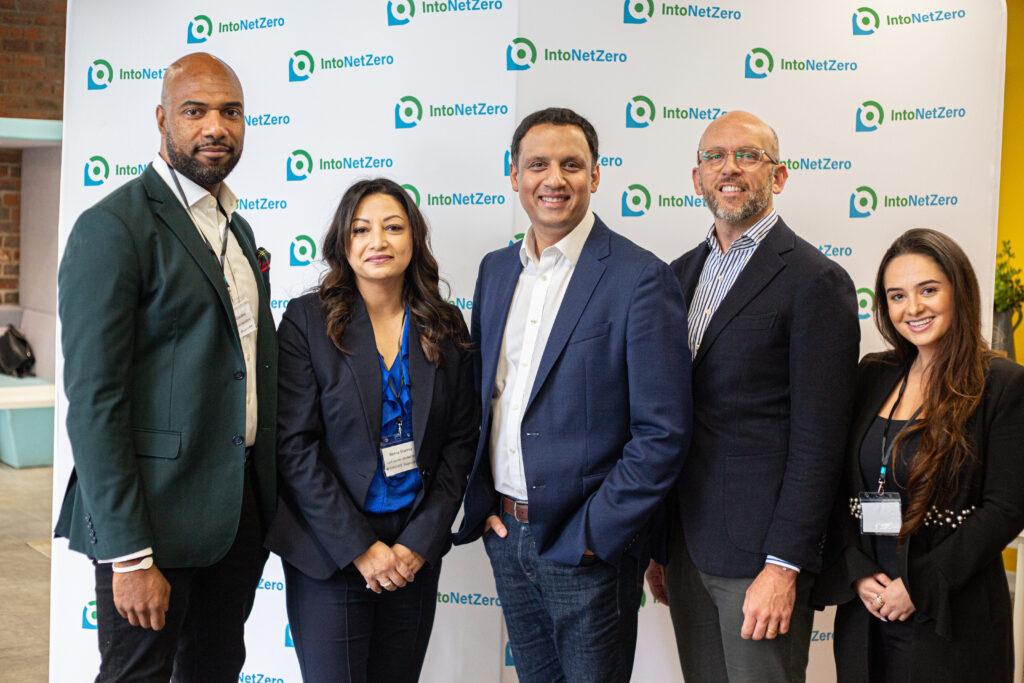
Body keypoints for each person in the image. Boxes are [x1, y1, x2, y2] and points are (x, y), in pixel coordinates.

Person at [55, 52, 277, 681]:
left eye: (230, 112)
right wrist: (128, 555)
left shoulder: (237, 228)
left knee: (213, 672)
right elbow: (96, 400)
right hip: (153, 524)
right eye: (196, 111)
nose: (216, 127)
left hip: (235, 517)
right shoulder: (114, 228)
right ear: (161, 119)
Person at [453, 107, 692, 683]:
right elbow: (482, 401)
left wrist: (595, 536)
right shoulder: (494, 271)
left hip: (587, 549)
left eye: (571, 165)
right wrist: (486, 507)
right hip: (507, 536)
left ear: (596, 176)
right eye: (538, 164)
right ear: (514, 175)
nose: (553, 179)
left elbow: (663, 432)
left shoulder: (640, 278)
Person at [645, 110, 860, 682]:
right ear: (696, 179)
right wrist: (660, 545)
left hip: (761, 557)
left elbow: (821, 441)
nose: (730, 168)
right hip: (686, 547)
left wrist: (784, 565)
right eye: (714, 156)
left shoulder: (816, 281)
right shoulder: (677, 274)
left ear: (779, 176)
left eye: (748, 155)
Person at [264, 178, 478, 682]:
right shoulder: (306, 322)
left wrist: (418, 543)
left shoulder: (445, 325)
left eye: (393, 227)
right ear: (343, 241)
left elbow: (461, 442)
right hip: (330, 548)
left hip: (412, 548)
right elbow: (294, 448)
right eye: (361, 229)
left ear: (414, 238)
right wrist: (361, 548)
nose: (377, 241)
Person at [814, 229, 1024, 682]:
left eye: (928, 290)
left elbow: (1006, 508)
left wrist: (920, 587)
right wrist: (856, 572)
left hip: (951, 612)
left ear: (959, 290)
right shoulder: (873, 374)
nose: (913, 308)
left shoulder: (1001, 384)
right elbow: (835, 481)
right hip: (868, 607)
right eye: (897, 295)